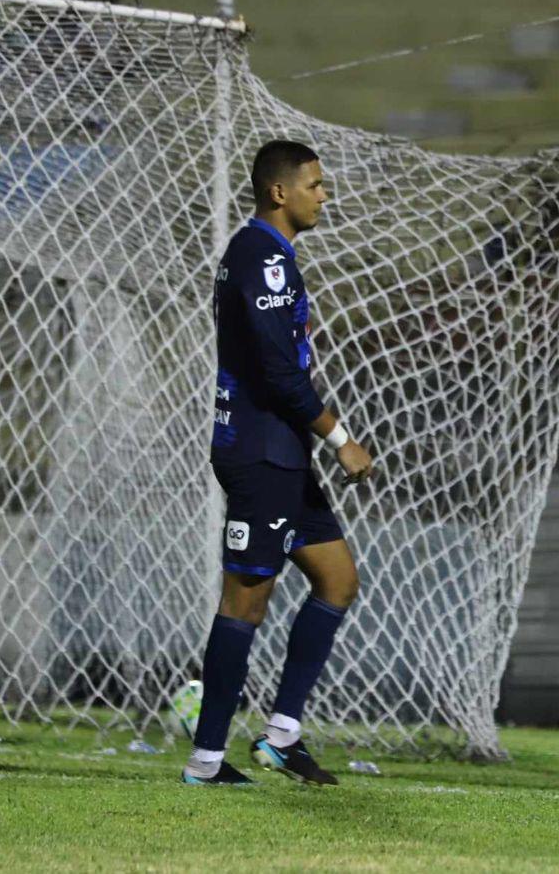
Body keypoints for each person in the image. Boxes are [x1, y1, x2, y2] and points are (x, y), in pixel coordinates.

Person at [182, 140, 375, 786]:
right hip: (260, 452)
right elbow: (277, 373)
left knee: (338, 579)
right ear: (279, 192)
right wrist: (340, 438)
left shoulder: (276, 258)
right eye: (316, 185)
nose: (325, 195)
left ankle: (281, 735)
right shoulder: (259, 256)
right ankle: (207, 760)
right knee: (244, 604)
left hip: (284, 452)